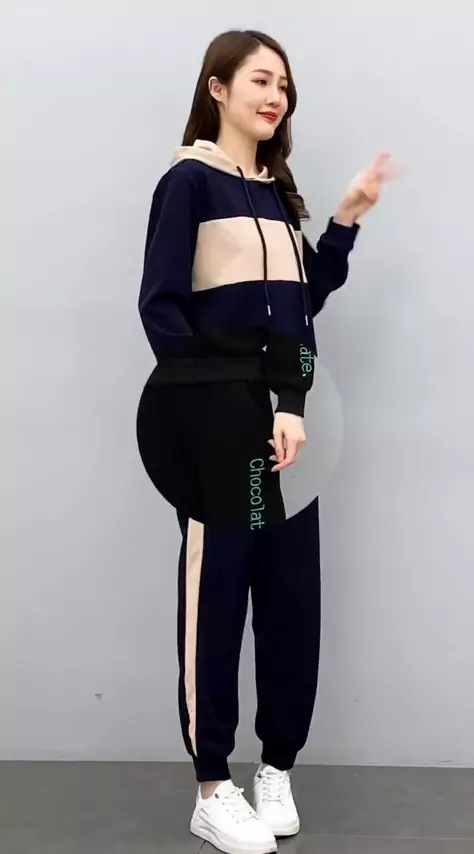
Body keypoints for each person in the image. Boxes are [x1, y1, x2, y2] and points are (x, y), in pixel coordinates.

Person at [137, 28, 394, 854]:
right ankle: (213, 787)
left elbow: (302, 301)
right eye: (259, 79)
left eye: (283, 83)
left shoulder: (277, 193)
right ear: (216, 88)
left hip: (290, 425)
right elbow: (160, 307)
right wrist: (214, 404)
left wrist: (346, 219)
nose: (275, 95)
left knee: (290, 600)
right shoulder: (189, 182)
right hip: (221, 428)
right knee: (216, 601)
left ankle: (275, 768)